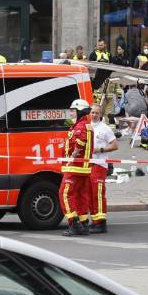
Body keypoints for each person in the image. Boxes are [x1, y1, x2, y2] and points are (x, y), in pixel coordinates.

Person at [59, 99, 93, 236]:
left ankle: (74, 223)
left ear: (80, 111)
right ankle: (83, 223)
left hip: (75, 167)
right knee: (80, 195)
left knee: (65, 194)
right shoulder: (83, 124)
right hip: (82, 167)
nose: (71, 113)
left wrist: (73, 156)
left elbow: (80, 142)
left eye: (73, 111)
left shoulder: (81, 126)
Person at [89, 103, 118, 233]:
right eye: (92, 112)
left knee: (98, 193)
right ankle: (95, 221)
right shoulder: (88, 126)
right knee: (90, 194)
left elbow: (115, 145)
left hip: (100, 164)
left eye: (96, 113)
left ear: (100, 114)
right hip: (89, 165)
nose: (94, 115)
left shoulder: (104, 128)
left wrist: (100, 149)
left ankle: (101, 223)